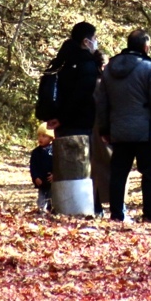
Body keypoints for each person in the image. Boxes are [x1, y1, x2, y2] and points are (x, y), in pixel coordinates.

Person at [94, 29, 151, 223]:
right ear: (145, 47)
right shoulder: (149, 68)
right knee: (150, 173)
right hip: (145, 131)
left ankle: (117, 214)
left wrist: (104, 129)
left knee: (118, 173)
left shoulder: (109, 68)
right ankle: (150, 215)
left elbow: (102, 101)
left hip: (118, 130)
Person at [41, 21, 108, 215]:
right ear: (86, 41)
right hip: (81, 122)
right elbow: (81, 96)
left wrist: (56, 116)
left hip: (61, 121)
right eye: (94, 39)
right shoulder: (86, 64)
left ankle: (63, 204)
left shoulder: (61, 60)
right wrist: (63, 117)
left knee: (63, 165)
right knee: (85, 166)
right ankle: (88, 207)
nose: (96, 42)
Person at [30, 122, 55, 212]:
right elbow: (33, 166)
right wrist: (35, 177)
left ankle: (52, 211)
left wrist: (55, 175)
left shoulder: (55, 150)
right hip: (41, 180)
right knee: (42, 198)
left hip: (52, 182)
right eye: (39, 136)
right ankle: (42, 211)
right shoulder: (36, 152)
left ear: (51, 138)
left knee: (53, 198)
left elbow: (59, 165)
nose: (41, 138)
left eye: (44, 136)